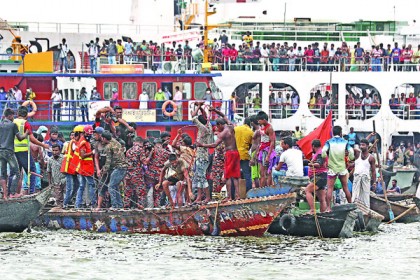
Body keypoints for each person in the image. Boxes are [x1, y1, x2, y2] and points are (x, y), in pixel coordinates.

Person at [197, 106, 241, 202]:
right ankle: (237, 196)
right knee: (236, 176)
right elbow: (224, 115)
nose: (217, 128)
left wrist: (202, 144)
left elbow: (214, 145)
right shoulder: (230, 126)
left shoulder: (223, 133)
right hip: (236, 153)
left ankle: (229, 197)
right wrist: (215, 110)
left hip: (229, 154)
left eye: (217, 126)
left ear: (220, 124)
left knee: (228, 176)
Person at [14, 106, 49, 195]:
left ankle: (14, 193)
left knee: (17, 173)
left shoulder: (13, 122)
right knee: (32, 170)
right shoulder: (26, 124)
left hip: (13, 152)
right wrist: (43, 145)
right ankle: (32, 192)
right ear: (26, 115)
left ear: (17, 114)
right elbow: (32, 139)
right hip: (23, 151)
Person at [322, 125, 354, 212]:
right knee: (345, 187)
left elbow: (323, 152)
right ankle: (351, 205)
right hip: (342, 168)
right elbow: (351, 151)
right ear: (340, 133)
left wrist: (326, 157)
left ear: (332, 133)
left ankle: (328, 208)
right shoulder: (345, 142)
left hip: (332, 168)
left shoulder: (328, 142)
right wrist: (351, 158)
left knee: (330, 188)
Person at [0, 108, 28, 199]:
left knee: (3, 173)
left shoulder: (0, 124)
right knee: (17, 172)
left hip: (1, 151)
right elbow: (20, 138)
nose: (14, 117)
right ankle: (12, 193)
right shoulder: (12, 125)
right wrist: (26, 133)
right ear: (10, 115)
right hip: (9, 152)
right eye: (13, 115)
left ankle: (5, 195)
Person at [191, 102, 212, 203]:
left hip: (202, 156)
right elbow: (206, 117)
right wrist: (202, 109)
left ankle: (207, 197)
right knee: (199, 177)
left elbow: (193, 116)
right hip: (202, 156)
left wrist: (198, 106)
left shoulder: (203, 128)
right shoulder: (209, 126)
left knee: (202, 177)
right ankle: (199, 197)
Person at [100, 130, 128, 209]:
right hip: (123, 167)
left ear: (105, 138)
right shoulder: (117, 142)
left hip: (118, 167)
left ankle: (115, 206)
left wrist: (104, 170)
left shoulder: (108, 146)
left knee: (111, 187)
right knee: (115, 186)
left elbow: (108, 162)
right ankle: (119, 205)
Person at [74, 125, 96, 208]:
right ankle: (92, 204)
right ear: (83, 133)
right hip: (85, 168)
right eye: (88, 134)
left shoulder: (85, 141)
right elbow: (82, 155)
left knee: (82, 186)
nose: (89, 136)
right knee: (91, 185)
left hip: (85, 167)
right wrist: (92, 153)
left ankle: (78, 204)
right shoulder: (83, 142)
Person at [61, 125, 82, 208]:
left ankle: (69, 200)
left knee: (77, 184)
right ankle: (65, 203)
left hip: (72, 167)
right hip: (69, 166)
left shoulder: (74, 142)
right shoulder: (73, 143)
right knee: (70, 186)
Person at [305, 139, 328, 214]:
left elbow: (319, 164)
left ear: (313, 146)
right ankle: (323, 213)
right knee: (321, 198)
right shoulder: (320, 153)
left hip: (319, 176)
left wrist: (309, 164)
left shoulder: (320, 153)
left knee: (307, 190)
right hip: (322, 176)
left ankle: (312, 210)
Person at [352, 139, 376, 208]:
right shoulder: (357, 153)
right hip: (357, 178)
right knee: (355, 196)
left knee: (365, 197)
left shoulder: (371, 158)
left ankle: (366, 211)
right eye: (360, 145)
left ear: (367, 146)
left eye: (363, 145)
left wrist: (374, 183)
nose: (361, 146)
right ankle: (354, 209)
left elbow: (373, 171)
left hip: (365, 179)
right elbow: (349, 147)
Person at [256, 111, 276, 188]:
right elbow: (261, 140)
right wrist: (258, 151)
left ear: (264, 119)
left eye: (259, 120)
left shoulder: (269, 128)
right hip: (262, 150)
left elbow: (272, 142)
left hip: (267, 151)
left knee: (268, 172)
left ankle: (268, 189)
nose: (258, 121)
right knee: (262, 173)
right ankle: (262, 189)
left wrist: (268, 155)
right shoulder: (262, 127)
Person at [234, 117, 253, 192]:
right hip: (244, 155)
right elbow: (251, 145)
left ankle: (234, 193)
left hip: (235, 154)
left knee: (234, 175)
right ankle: (248, 193)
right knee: (247, 175)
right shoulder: (250, 132)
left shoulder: (236, 129)